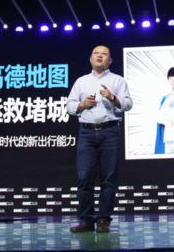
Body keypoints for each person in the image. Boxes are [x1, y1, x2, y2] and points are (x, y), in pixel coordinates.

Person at [66, 45, 133, 233]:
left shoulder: (118, 80)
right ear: (90, 59)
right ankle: (86, 220)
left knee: (108, 178)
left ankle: (104, 220)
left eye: (104, 54)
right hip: (87, 132)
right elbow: (69, 106)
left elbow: (128, 104)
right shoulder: (81, 81)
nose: (99, 56)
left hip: (110, 131)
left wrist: (113, 97)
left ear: (110, 61)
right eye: (96, 53)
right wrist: (81, 105)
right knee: (84, 177)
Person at [154, 67, 174, 154]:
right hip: (167, 138)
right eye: (170, 78)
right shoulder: (165, 99)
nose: (172, 81)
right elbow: (159, 117)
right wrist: (169, 122)